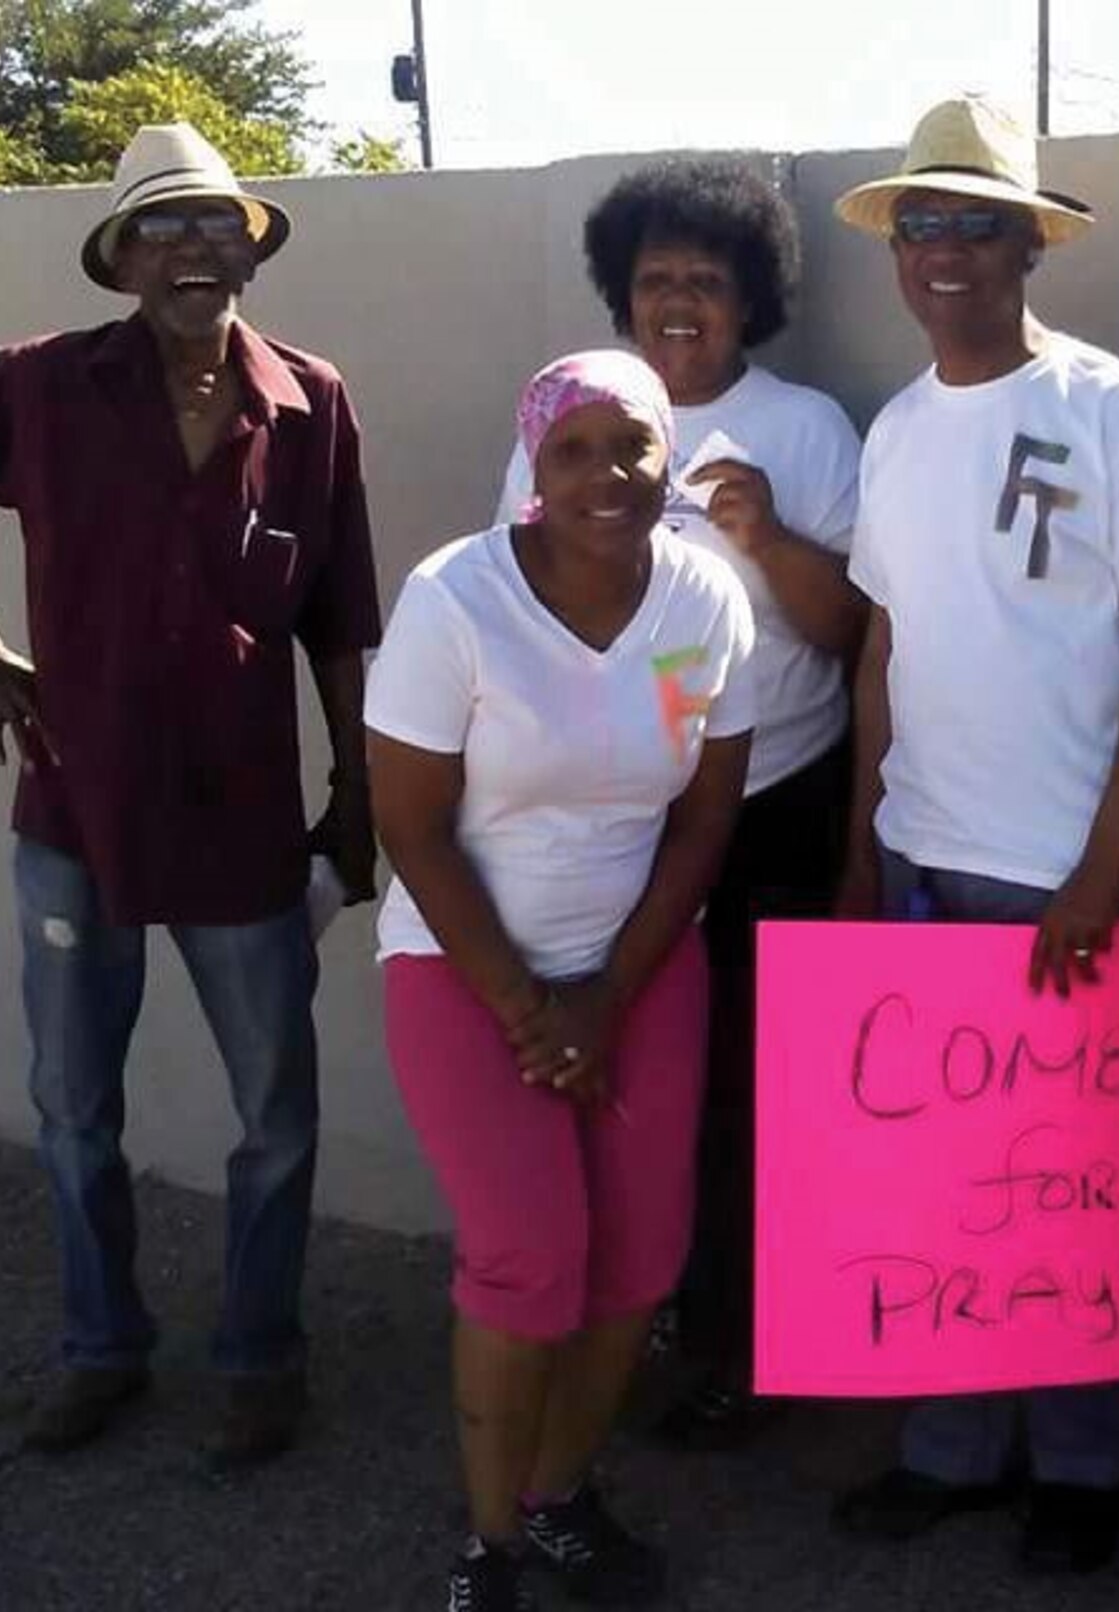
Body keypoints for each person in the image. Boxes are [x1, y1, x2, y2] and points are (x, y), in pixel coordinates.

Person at [0, 122, 382, 1466]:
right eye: (161, 229)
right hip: (75, 813)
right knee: (73, 1110)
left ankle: (261, 1355)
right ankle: (104, 1348)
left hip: (243, 819)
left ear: (249, 250)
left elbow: (339, 617)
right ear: (119, 261)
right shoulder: (38, 388)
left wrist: (357, 794)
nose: (193, 252)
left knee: (277, 1117)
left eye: (216, 226)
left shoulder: (311, 401)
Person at [826, 95, 1119, 1575]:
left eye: (973, 222)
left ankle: (1083, 1468)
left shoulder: (1117, 409)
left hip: (1076, 883)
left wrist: (1105, 870)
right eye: (919, 223)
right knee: (948, 1196)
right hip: (928, 865)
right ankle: (950, 1453)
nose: (942, 250)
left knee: (1074, 1199)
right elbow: (883, 651)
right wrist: (869, 845)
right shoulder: (899, 430)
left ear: (1028, 245)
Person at [372, 351, 756, 1611]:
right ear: (532, 467)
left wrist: (603, 998)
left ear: (667, 457)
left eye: (630, 446)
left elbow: (701, 819)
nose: (606, 474)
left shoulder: (702, 599)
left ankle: (557, 1496)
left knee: (638, 1261)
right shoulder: (457, 599)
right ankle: (487, 1545)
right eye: (572, 450)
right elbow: (413, 827)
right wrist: (534, 1012)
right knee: (530, 1257)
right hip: (463, 971)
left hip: (637, 970)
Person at [497, 159, 864, 1445]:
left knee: (759, 1092)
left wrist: (764, 539)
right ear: (620, 292)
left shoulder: (807, 426)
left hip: (774, 805)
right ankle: (640, 1319)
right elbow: (516, 600)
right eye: (655, 278)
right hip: (624, 823)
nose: (678, 301)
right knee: (639, 1079)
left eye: (706, 280)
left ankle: (743, 1345)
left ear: (750, 297)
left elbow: (855, 631)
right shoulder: (575, 414)